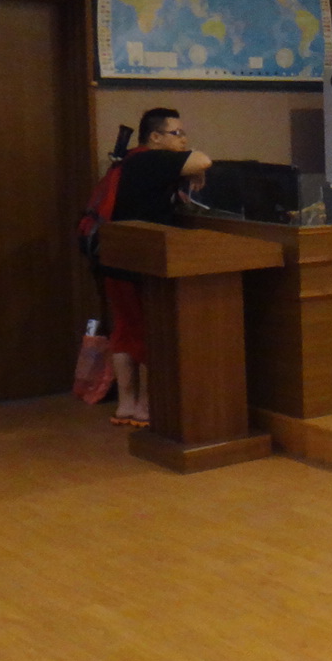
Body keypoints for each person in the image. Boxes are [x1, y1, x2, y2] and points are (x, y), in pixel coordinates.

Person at [101, 109, 213, 428]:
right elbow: (203, 160)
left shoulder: (131, 161)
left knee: (124, 331)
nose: (184, 140)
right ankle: (147, 407)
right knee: (152, 332)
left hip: (117, 257)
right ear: (155, 137)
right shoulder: (153, 159)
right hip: (144, 261)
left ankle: (126, 405)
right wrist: (193, 167)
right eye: (177, 134)